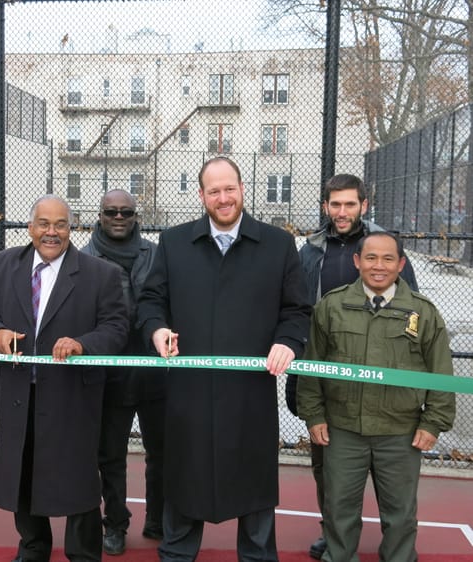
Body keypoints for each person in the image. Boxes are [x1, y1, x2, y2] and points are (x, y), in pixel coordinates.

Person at [136, 156, 311, 561]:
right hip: (188, 394)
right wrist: (157, 330)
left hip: (249, 395)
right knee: (184, 481)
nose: (223, 197)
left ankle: (257, 556)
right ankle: (177, 554)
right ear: (201, 196)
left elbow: (297, 309)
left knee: (253, 486)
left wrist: (288, 341)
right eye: (213, 190)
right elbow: (150, 301)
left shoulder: (278, 244)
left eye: (229, 188)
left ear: (242, 189)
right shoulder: (175, 243)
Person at [0, 194, 129, 562]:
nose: (51, 232)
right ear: (30, 228)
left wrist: (82, 344)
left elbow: (117, 327)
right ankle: (33, 546)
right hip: (18, 393)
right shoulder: (4, 264)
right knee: (22, 473)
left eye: (60, 224)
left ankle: (83, 553)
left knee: (78, 483)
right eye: (43, 223)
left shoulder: (100, 274)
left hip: (72, 397)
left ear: (71, 229)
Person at [297, 231, 455, 562]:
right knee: (339, 509)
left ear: (401, 264)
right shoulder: (332, 306)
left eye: (387, 259)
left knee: (400, 513)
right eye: (370, 258)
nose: (378, 266)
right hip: (342, 430)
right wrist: (314, 415)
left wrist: (433, 423)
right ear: (357, 262)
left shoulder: (423, 313)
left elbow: (440, 372)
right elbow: (312, 367)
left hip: (401, 432)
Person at [284, 173, 418, 560]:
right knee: (327, 465)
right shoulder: (308, 252)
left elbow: (413, 311)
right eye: (335, 204)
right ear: (325, 206)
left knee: (390, 468)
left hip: (380, 381)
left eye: (350, 204)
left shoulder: (383, 248)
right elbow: (297, 309)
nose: (342, 212)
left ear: (364, 205)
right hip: (327, 380)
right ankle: (334, 532)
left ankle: (398, 541)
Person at [81, 189, 165, 555]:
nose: (118, 217)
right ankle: (115, 523)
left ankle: (159, 518)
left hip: (154, 370)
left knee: (161, 451)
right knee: (110, 455)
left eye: (126, 212)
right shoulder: (85, 258)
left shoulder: (156, 254)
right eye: (111, 211)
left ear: (136, 216)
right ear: (99, 215)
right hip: (109, 373)